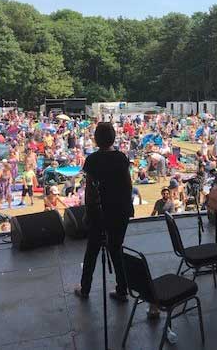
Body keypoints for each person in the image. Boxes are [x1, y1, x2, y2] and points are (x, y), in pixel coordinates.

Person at [74, 122, 134, 310]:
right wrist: (128, 206)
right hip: (121, 210)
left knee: (92, 250)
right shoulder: (122, 158)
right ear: (114, 137)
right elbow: (128, 185)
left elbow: (91, 192)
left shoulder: (92, 160)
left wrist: (88, 213)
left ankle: (85, 289)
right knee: (116, 249)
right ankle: (123, 290)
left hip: (100, 212)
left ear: (96, 139)